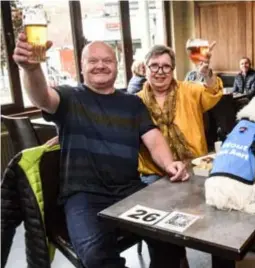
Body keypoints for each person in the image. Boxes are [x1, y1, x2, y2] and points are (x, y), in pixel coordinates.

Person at [13, 33, 190, 268]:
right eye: (93, 60)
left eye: (107, 60)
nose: (100, 65)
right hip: (84, 196)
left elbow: (154, 137)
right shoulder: (69, 97)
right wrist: (31, 69)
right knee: (97, 257)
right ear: (82, 66)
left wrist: (169, 164)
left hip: (130, 191)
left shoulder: (133, 103)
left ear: (116, 66)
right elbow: (42, 98)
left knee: (172, 240)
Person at [136, 43, 223, 184]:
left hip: (194, 165)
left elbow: (212, 92)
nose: (160, 71)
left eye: (166, 66)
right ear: (145, 68)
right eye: (154, 65)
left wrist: (207, 74)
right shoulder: (136, 101)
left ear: (172, 70)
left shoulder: (189, 90)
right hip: (154, 173)